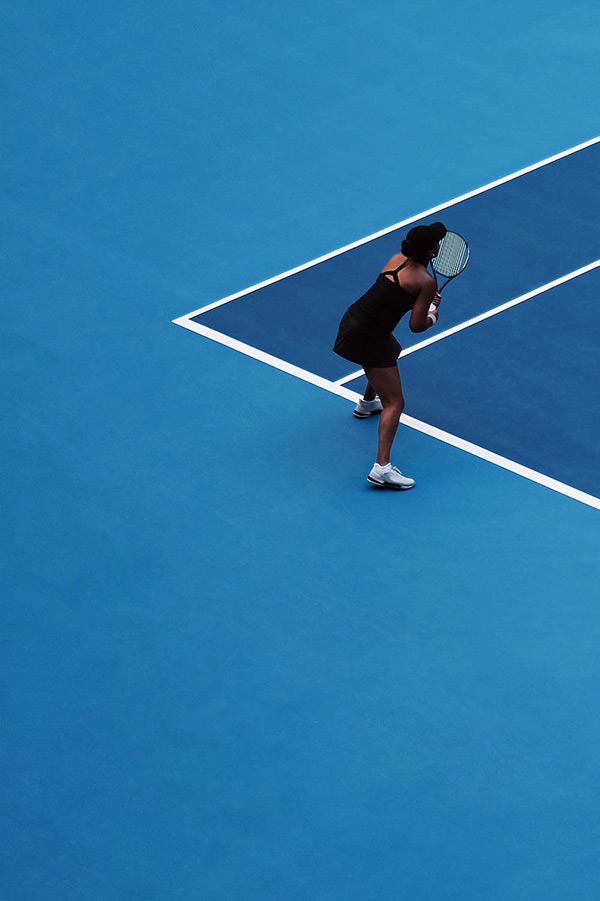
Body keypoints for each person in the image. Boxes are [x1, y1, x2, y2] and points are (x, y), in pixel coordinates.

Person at [333, 222, 447, 489]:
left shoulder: (396, 259)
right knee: (395, 402)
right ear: (432, 251)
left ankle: (366, 403)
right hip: (368, 338)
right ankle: (382, 468)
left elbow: (392, 297)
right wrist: (432, 314)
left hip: (353, 320)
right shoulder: (426, 281)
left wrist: (425, 299)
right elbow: (416, 326)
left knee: (393, 350)